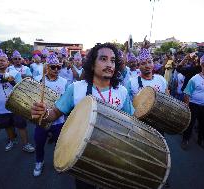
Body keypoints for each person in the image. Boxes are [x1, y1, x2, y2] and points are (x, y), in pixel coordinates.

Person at [31, 43, 134, 189]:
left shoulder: (122, 91)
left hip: (112, 155)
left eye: (112, 60)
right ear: (92, 65)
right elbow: (54, 113)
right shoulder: (76, 88)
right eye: (103, 59)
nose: (109, 64)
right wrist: (44, 113)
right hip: (83, 156)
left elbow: (131, 121)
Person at [0, 48, 35, 152]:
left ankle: (26, 144)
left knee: (21, 126)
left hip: (16, 105)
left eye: (2, 60)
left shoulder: (14, 73)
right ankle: (12, 140)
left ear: (7, 62)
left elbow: (22, 88)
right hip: (1, 107)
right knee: (7, 126)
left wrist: (12, 81)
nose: (0, 62)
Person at [33, 54, 68, 177]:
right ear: (47, 67)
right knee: (39, 143)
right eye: (53, 67)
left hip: (59, 120)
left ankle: (59, 161)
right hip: (41, 121)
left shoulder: (64, 82)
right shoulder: (38, 79)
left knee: (59, 144)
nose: (57, 70)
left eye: (59, 67)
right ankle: (39, 161)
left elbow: (67, 102)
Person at [181, 53, 204, 151]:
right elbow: (187, 93)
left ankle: (201, 140)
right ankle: (185, 139)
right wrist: (186, 107)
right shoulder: (195, 79)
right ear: (203, 65)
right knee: (190, 124)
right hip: (194, 106)